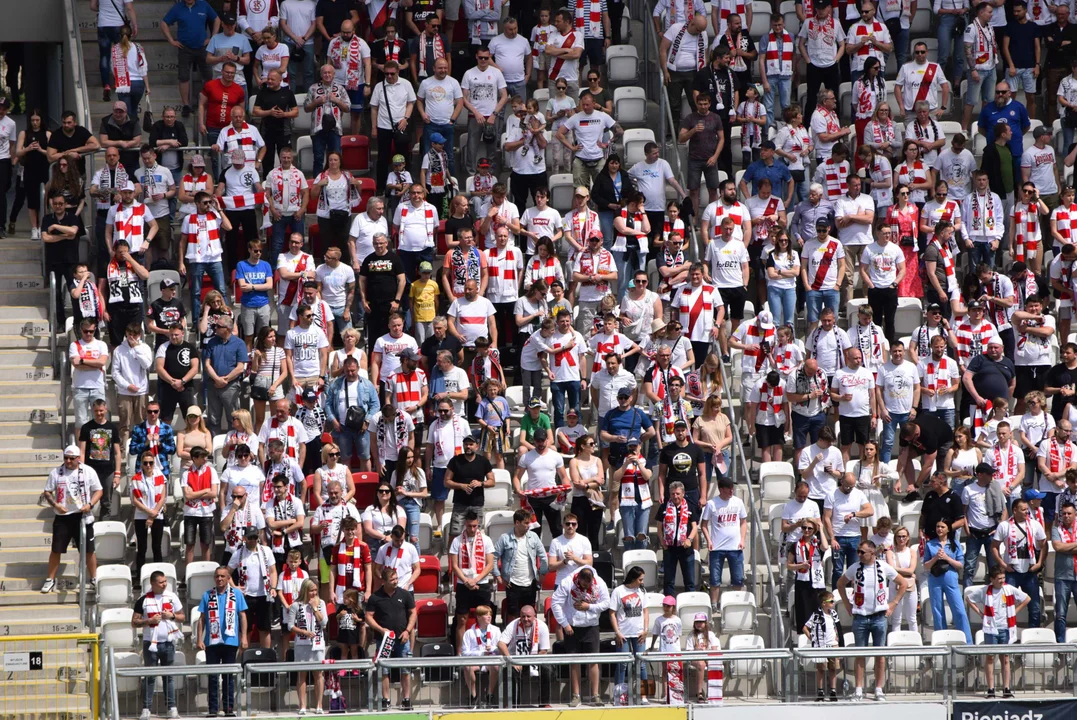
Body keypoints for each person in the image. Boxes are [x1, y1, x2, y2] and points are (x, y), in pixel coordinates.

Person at [836, 539, 907, 702]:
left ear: (872, 553)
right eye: (858, 552)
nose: (859, 554)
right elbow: (840, 584)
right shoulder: (855, 567)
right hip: (860, 616)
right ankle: (859, 689)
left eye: (862, 552)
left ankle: (878, 689)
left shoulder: (884, 567)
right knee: (860, 654)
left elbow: (903, 583)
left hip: (879, 616)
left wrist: (893, 604)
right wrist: (847, 604)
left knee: (879, 654)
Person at [41, 446, 103, 593]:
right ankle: (50, 579)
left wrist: (90, 504)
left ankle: (94, 578)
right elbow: (47, 492)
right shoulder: (56, 472)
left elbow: (99, 490)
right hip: (63, 516)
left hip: (83, 516)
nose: (68, 461)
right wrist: (56, 505)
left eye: (71, 458)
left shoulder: (88, 471)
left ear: (78, 458)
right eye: (66, 458)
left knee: (88, 550)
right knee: (56, 549)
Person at [549, 567, 610, 706]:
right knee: (574, 661)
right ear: (578, 579)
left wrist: (589, 607)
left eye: (588, 585)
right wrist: (565, 624)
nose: (585, 587)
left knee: (594, 661)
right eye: (583, 585)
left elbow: (606, 603)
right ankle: (575, 696)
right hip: (572, 627)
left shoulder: (599, 582)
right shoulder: (567, 582)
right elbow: (555, 603)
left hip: (592, 626)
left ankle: (595, 695)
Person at [967, 566, 1030, 697]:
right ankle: (991, 689)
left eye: (1003, 578)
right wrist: (980, 614)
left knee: (1005, 658)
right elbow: (969, 599)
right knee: (990, 658)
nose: (1002, 581)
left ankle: (1006, 688)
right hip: (991, 628)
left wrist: (1014, 612)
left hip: (1006, 628)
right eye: (999, 578)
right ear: (992, 579)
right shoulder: (985, 590)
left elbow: (1027, 599)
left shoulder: (1009, 589)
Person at [194, 566, 248, 716]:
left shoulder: (236, 594)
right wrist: (199, 638)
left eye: (223, 576)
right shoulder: (208, 595)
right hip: (212, 642)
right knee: (212, 676)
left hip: (230, 641)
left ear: (228, 578)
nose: (219, 579)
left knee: (228, 677)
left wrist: (244, 637)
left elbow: (242, 616)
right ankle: (213, 709)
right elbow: (202, 619)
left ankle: (229, 708)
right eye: (217, 576)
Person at [131, 569, 184, 720]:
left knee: (169, 677)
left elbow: (182, 616)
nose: (164, 584)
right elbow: (134, 622)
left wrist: (172, 616)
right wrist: (149, 621)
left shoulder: (172, 596)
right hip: (150, 643)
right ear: (153, 583)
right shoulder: (143, 599)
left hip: (167, 642)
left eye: (165, 581)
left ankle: (172, 708)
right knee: (150, 677)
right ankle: (146, 709)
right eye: (161, 582)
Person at [366, 566, 417, 710]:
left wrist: (407, 631)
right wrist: (381, 630)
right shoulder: (375, 597)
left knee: (406, 670)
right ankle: (385, 700)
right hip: (384, 640)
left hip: (403, 639)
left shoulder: (405, 594)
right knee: (384, 671)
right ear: (384, 581)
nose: (395, 581)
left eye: (396, 578)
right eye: (392, 579)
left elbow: (413, 613)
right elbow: (368, 617)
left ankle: (406, 699)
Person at [990, 496, 1046, 626]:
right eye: (1023, 509)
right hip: (1012, 571)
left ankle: (1034, 635)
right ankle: (1007, 633)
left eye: (1027, 509)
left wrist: (1039, 563)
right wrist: (1003, 564)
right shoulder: (1004, 526)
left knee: (1035, 607)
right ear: (1015, 510)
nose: (1027, 512)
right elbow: (994, 546)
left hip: (1030, 571)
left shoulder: (1034, 524)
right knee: (1006, 605)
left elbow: (1044, 545)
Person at [449, 508, 495, 647]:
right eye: (469, 526)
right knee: (462, 619)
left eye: (475, 526)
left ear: (478, 524)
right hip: (464, 584)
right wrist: (466, 581)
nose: (472, 529)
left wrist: (475, 580)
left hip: (482, 583)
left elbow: (490, 564)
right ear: (465, 525)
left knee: (485, 618)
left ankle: (486, 649)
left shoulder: (486, 540)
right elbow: (455, 566)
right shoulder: (457, 541)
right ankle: (459, 653)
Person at [493, 509, 550, 621]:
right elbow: (493, 558)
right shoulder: (505, 538)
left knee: (529, 614)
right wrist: (498, 577)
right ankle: (513, 637)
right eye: (526, 523)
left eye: (529, 523)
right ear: (517, 523)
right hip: (512, 583)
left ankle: (529, 638)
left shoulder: (533, 537)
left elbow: (543, 556)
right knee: (513, 614)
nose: (528, 526)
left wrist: (542, 574)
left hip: (530, 583)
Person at [700, 476, 747, 611]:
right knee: (715, 579)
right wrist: (709, 541)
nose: (731, 491)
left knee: (738, 578)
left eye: (732, 489)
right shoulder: (712, 504)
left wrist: (742, 540)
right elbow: (704, 524)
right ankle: (714, 604)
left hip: (735, 547)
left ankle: (735, 603)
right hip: (717, 548)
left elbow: (743, 522)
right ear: (721, 489)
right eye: (729, 489)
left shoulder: (738, 502)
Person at [923, 519, 973, 642]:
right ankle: (941, 641)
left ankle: (968, 642)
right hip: (935, 579)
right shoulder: (930, 544)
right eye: (938, 526)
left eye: (942, 527)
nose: (939, 529)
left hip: (950, 578)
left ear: (948, 529)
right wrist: (935, 557)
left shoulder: (954, 544)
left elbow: (960, 564)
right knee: (938, 612)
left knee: (959, 610)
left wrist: (946, 557)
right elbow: (926, 565)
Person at [659, 480, 700, 595]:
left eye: (677, 493)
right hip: (670, 548)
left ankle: (689, 605)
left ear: (683, 493)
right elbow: (659, 526)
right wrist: (662, 541)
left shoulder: (690, 506)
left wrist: (689, 539)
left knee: (689, 581)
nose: (675, 496)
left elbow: (694, 527)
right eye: (673, 494)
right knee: (668, 581)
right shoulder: (664, 506)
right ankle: (669, 606)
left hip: (685, 548)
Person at [802, 590, 842, 702]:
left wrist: (838, 638)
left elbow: (838, 627)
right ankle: (820, 691)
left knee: (833, 668)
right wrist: (812, 637)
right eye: (831, 601)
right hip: (821, 646)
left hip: (833, 645)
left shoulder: (834, 614)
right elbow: (805, 627)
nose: (833, 602)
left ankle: (833, 691)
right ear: (824, 603)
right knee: (821, 669)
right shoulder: (816, 615)